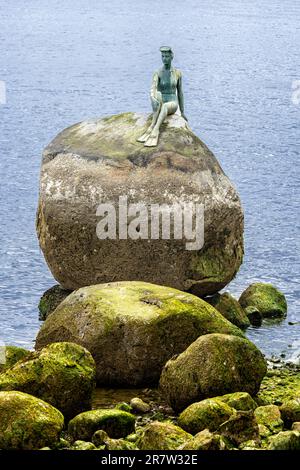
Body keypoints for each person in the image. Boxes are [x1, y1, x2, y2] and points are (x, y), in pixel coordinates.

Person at [137, 46, 187, 147]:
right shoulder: (158, 72)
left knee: (164, 107)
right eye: (163, 56)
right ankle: (151, 126)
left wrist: (182, 112)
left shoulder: (177, 73)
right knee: (158, 97)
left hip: (172, 102)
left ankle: (155, 130)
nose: (164, 58)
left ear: (171, 57)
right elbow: (153, 88)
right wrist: (153, 98)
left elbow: (180, 93)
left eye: (167, 56)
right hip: (160, 101)